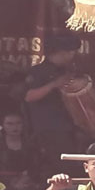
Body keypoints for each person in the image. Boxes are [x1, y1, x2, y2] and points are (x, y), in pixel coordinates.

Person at [24, 34, 79, 177]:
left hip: (69, 125)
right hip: (49, 127)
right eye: (71, 52)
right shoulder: (38, 71)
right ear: (62, 52)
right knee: (59, 166)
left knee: (73, 165)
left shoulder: (66, 70)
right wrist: (54, 84)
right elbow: (29, 96)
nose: (72, 56)